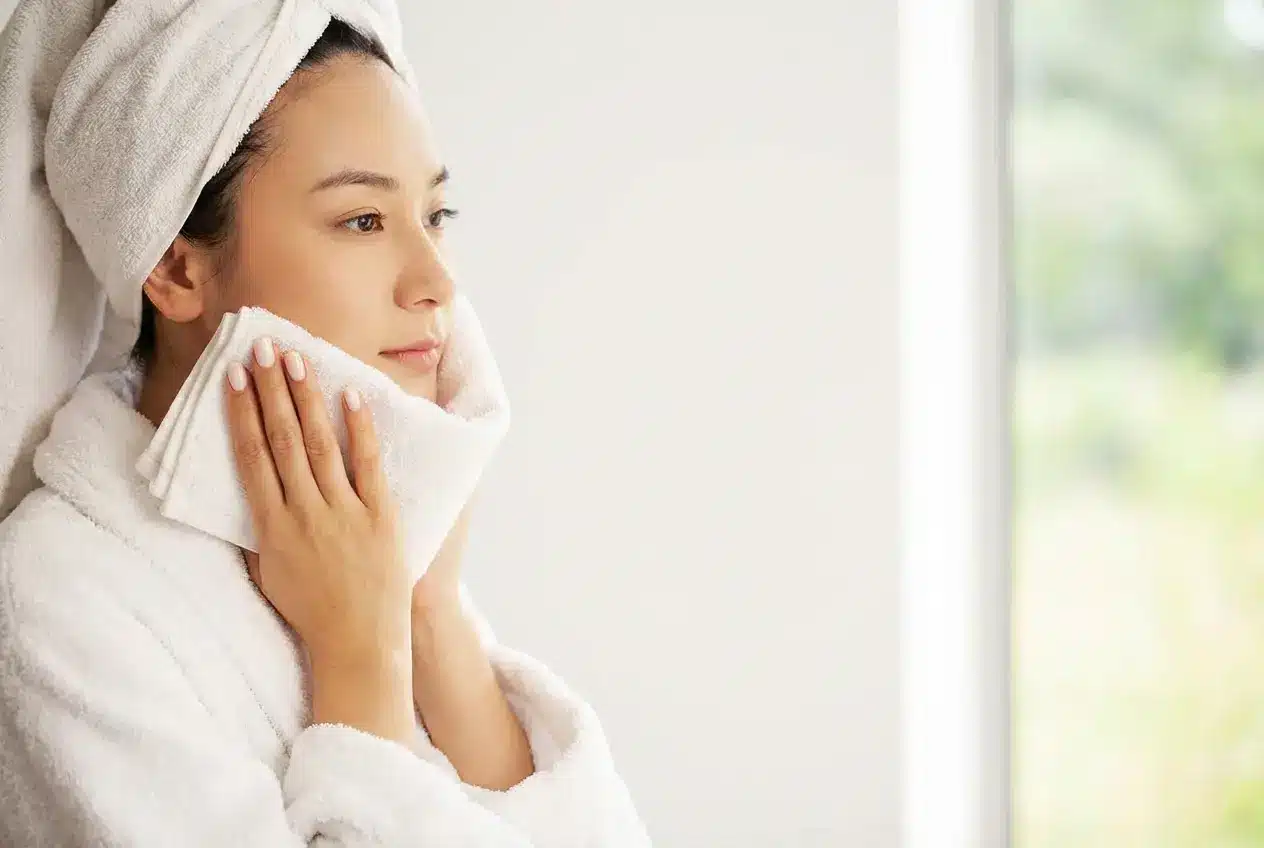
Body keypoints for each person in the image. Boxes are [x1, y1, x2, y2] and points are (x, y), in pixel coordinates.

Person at [0, 6, 650, 846]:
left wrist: (429, 614)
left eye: (435, 216)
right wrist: (358, 663)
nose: (435, 282)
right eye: (363, 221)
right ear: (175, 265)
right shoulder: (57, 601)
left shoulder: (368, 544)